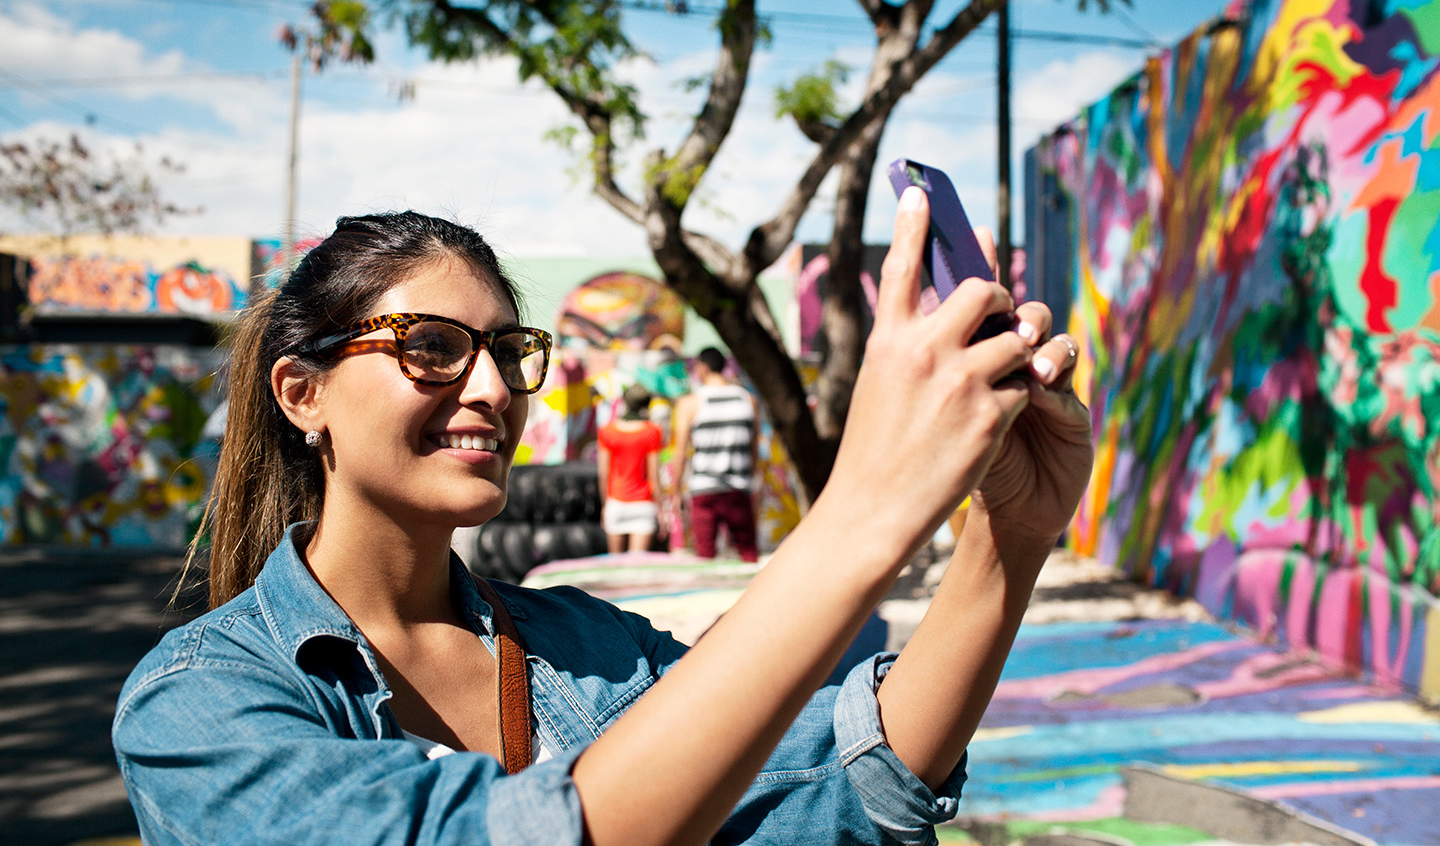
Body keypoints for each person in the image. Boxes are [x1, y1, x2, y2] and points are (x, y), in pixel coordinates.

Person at [112, 194, 1092, 846]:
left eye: (507, 350)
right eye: (436, 347)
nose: (492, 389)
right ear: (301, 393)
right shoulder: (196, 708)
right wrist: (864, 511)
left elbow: (847, 782)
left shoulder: (592, 645)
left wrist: (1007, 537)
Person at [670, 346, 761, 561]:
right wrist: (754, 481)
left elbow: (680, 450)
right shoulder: (747, 400)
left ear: (702, 368)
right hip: (739, 488)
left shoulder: (690, 403)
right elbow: (754, 446)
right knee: (747, 555)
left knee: (705, 557)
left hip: (704, 490)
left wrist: (675, 490)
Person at [596, 383, 664, 553]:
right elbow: (654, 475)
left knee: (615, 566)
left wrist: (605, 506)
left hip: (616, 503)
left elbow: (603, 474)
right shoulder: (652, 431)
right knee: (637, 568)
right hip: (643, 505)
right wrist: (661, 510)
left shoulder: (607, 431)